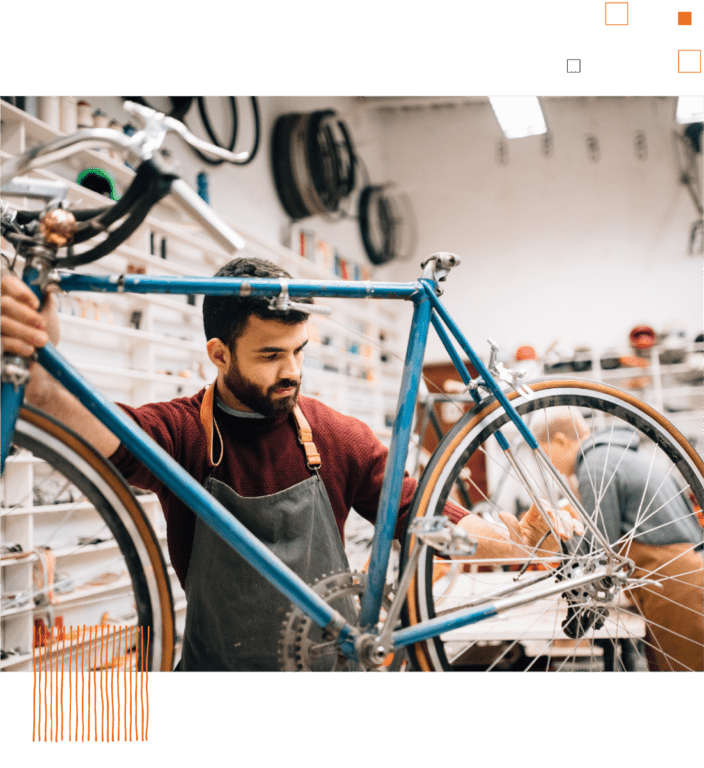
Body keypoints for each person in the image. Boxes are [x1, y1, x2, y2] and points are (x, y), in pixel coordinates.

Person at [1, 257, 580, 672]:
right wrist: (39, 352)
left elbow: (424, 515)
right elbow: (78, 416)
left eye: (299, 351)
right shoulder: (181, 433)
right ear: (219, 354)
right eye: (271, 355)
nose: (292, 372)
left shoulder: (332, 435)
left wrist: (527, 545)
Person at [533, 407, 704, 672]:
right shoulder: (615, 454)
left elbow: (599, 551)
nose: (549, 467)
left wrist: (558, 544)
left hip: (674, 583)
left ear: (560, 440)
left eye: (545, 456)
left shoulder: (594, 465)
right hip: (680, 576)